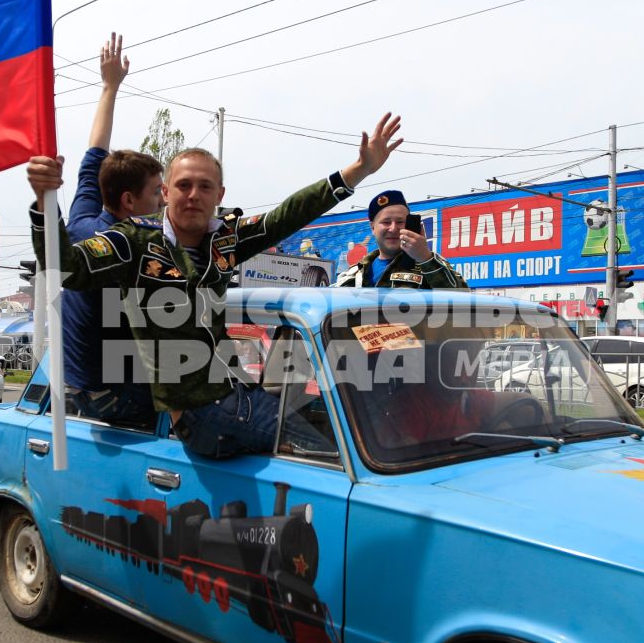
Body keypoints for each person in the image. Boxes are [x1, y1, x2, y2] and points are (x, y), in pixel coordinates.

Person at [29, 114, 404, 458]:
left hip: (236, 391)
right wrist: (44, 205)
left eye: (205, 186)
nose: (193, 194)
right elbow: (68, 269)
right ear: (165, 193)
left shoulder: (225, 239)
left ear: (219, 195)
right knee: (333, 451)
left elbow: (285, 216)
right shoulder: (133, 242)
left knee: (355, 418)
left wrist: (358, 171)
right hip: (200, 414)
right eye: (184, 185)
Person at [61, 34, 163, 426]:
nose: (162, 199)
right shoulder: (123, 253)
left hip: (79, 383)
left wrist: (109, 87)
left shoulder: (81, 219)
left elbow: (94, 153)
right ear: (128, 202)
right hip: (109, 395)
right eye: (156, 193)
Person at [334, 190, 466, 289]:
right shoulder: (355, 273)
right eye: (386, 222)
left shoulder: (429, 264)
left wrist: (425, 258)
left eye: (400, 222)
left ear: (409, 225)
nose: (393, 228)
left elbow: (463, 302)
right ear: (373, 227)